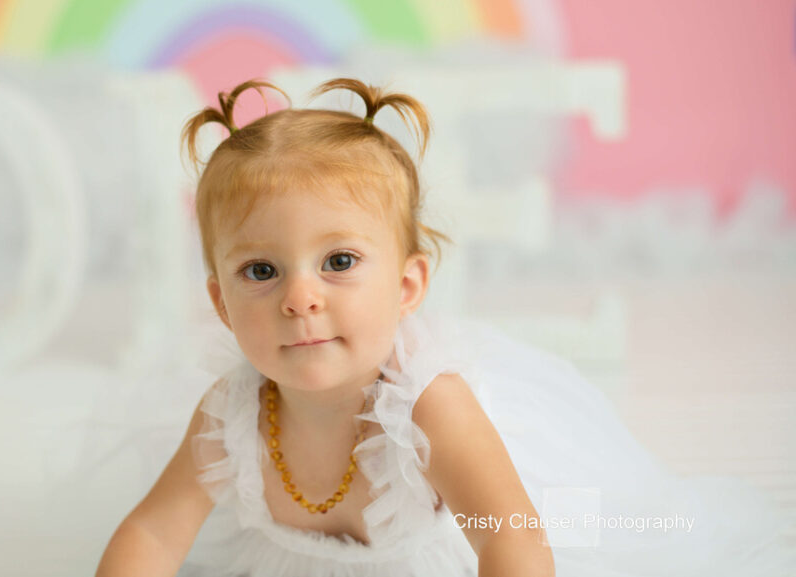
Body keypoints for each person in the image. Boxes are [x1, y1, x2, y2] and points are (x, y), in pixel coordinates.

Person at [95, 78, 792, 577]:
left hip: (498, 535)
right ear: (220, 302)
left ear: (406, 287)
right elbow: (153, 532)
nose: (300, 297)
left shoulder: (428, 409)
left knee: (619, 529)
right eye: (261, 271)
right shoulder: (228, 415)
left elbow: (513, 543)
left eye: (338, 261)